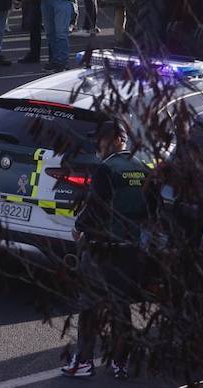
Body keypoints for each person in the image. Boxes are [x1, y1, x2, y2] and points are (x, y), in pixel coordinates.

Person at [63, 121, 153, 380]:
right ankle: (120, 363)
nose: (97, 145)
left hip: (102, 249)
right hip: (129, 251)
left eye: (101, 140)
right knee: (120, 307)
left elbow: (95, 206)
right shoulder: (142, 168)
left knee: (89, 306)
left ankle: (83, 362)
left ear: (116, 139)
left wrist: (79, 227)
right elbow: (152, 209)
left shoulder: (106, 170)